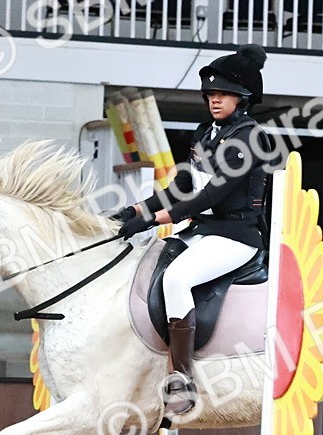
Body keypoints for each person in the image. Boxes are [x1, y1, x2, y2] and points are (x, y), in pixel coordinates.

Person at [113, 44, 270, 416]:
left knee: (177, 279)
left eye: (224, 94)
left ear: (242, 98)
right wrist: (136, 209)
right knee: (146, 265)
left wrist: (154, 220)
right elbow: (184, 186)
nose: (215, 100)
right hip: (204, 231)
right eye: (211, 94)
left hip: (237, 237)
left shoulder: (249, 138)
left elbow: (209, 196)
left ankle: (181, 378)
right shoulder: (206, 132)